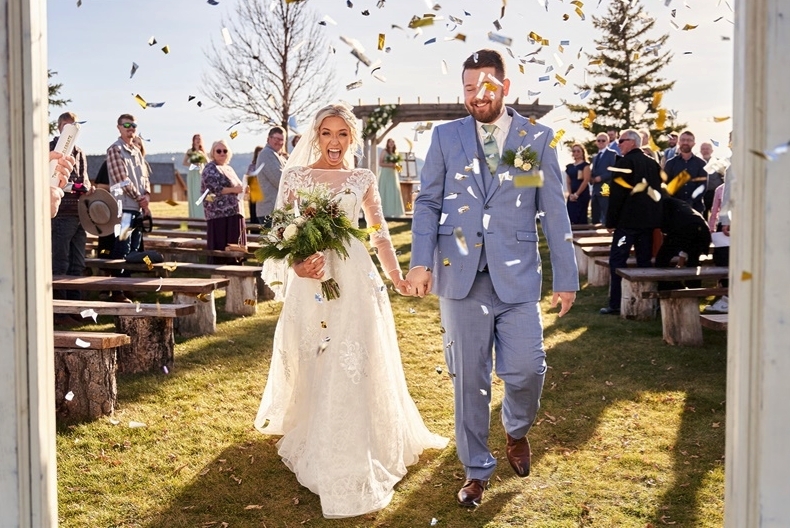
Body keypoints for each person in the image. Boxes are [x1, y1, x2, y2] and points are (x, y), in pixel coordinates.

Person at [255, 103, 447, 519]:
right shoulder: (296, 176)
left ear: (353, 139)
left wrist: (396, 276)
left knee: (354, 357)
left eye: (343, 134)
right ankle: (315, 425)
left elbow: (378, 234)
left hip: (356, 279)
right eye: (327, 133)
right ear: (316, 135)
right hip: (313, 281)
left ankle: (354, 436)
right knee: (316, 353)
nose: (335, 142)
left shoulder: (362, 178)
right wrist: (298, 265)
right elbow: (278, 233)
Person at [406, 49, 578, 507]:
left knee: (526, 369)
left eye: (483, 87)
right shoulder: (445, 138)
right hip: (459, 276)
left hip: (517, 275)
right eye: (466, 88)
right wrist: (420, 260)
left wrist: (567, 275)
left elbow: (551, 211)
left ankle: (516, 429)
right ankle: (476, 469)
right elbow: (427, 202)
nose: (474, 97)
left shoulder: (532, 139)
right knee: (470, 378)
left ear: (504, 86)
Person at [600, 129, 663, 315]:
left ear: (633, 142)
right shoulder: (653, 164)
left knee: (617, 260)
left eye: (622, 141)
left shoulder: (624, 163)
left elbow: (616, 196)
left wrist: (610, 222)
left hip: (627, 224)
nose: (618, 144)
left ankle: (616, 304)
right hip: (647, 223)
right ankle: (647, 303)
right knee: (644, 261)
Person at [49, 112, 92, 314]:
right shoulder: (51, 148)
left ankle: (76, 309)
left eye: (74, 126)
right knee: (60, 263)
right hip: (61, 213)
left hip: (79, 213)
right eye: (68, 126)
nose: (72, 130)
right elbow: (56, 182)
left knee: (78, 263)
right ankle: (60, 311)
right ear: (60, 128)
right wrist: (76, 186)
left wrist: (83, 186)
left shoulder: (80, 152)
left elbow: (84, 180)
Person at [106, 113, 150, 303]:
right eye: (126, 125)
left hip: (138, 208)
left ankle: (126, 285)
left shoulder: (137, 151)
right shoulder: (115, 150)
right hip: (123, 208)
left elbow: (144, 177)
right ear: (119, 127)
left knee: (133, 249)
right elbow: (122, 180)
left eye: (133, 125)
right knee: (122, 247)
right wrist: (140, 197)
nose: (130, 128)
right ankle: (116, 291)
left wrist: (146, 196)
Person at [200, 140, 247, 265]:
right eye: (218, 151)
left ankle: (236, 269)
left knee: (235, 247)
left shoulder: (229, 168)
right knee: (220, 250)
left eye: (225, 151)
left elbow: (238, 186)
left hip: (234, 213)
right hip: (219, 216)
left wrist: (243, 189)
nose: (222, 153)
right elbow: (213, 188)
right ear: (213, 153)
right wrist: (234, 190)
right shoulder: (210, 168)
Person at [655, 192, 712, 290]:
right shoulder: (680, 203)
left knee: (661, 260)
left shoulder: (663, 204)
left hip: (684, 228)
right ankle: (693, 290)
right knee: (693, 261)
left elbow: (666, 227)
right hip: (702, 229)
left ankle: (667, 288)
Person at [664, 130, 708, 214]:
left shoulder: (701, 164)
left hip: (695, 208)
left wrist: (690, 201)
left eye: (689, 140)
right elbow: (666, 185)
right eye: (683, 140)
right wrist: (676, 202)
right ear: (679, 142)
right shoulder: (670, 163)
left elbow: (702, 186)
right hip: (674, 208)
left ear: (694, 143)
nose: (685, 142)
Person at [255, 127, 286, 227]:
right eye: (276, 139)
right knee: (275, 241)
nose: (279, 142)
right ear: (268, 139)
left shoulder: (278, 156)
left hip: (274, 210)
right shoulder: (266, 154)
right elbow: (279, 179)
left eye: (282, 139)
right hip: (269, 210)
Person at [590, 132, 617, 224]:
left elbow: (614, 170)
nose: (601, 142)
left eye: (603, 140)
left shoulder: (612, 154)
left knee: (606, 214)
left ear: (608, 142)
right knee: (595, 217)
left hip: (606, 188)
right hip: (595, 190)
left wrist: (601, 177)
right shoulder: (595, 157)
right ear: (596, 142)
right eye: (599, 140)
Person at [378, 138, 406, 218]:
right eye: (390, 142)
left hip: (393, 174)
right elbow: (380, 163)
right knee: (385, 190)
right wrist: (390, 165)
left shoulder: (395, 153)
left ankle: (394, 211)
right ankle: (384, 211)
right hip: (385, 173)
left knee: (394, 190)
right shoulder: (384, 151)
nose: (391, 143)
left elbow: (396, 164)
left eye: (392, 142)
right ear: (387, 143)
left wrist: (397, 167)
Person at [565, 143, 591, 224]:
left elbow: (586, 180)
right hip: (572, 195)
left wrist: (577, 194)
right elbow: (568, 182)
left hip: (582, 194)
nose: (576, 153)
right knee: (571, 215)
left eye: (578, 151)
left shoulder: (585, 165)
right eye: (574, 151)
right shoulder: (569, 166)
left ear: (582, 152)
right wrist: (571, 194)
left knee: (581, 217)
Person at [183, 134, 207, 219]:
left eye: (199, 139)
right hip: (192, 175)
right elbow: (184, 162)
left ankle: (201, 216)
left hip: (200, 174)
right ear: (193, 140)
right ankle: (193, 216)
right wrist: (193, 164)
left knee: (200, 194)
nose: (198, 140)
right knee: (193, 194)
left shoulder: (202, 152)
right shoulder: (190, 151)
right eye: (196, 139)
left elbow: (207, 162)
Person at [245, 145, 264, 224]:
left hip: (263, 193)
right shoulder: (252, 166)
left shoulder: (265, 165)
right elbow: (248, 177)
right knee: (254, 214)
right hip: (254, 192)